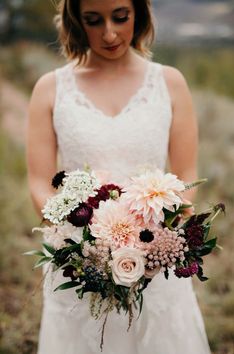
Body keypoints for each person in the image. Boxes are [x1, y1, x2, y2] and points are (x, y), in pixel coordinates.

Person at [26, 0, 211, 353]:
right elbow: (38, 180)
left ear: (139, 14)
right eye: (94, 21)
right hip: (81, 265)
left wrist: (158, 244)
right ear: (77, 22)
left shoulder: (170, 83)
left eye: (120, 17)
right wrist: (79, 244)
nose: (109, 33)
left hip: (156, 262)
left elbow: (187, 175)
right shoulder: (50, 89)